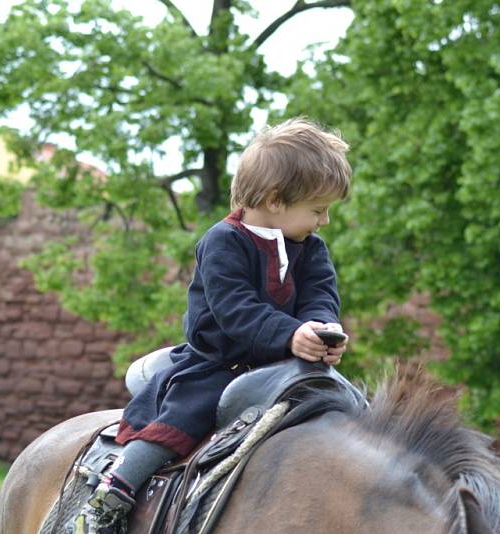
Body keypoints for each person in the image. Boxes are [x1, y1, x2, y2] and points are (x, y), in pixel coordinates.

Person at [75, 117, 351, 533]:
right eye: (317, 209)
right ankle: (114, 491)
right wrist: (289, 334)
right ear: (276, 200)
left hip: (283, 365)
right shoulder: (223, 241)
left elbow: (319, 294)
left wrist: (320, 328)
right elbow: (234, 309)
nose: (324, 221)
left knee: (347, 409)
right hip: (221, 362)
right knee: (188, 412)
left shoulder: (310, 248)